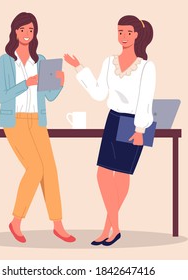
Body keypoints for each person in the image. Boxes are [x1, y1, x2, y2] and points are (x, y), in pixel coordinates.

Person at [64, 15, 156, 246]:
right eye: (120, 32)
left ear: (137, 34)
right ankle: (114, 227)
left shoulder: (146, 67)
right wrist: (79, 69)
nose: (123, 37)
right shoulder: (109, 61)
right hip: (113, 118)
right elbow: (98, 93)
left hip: (135, 122)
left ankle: (109, 228)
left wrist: (140, 129)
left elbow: (146, 100)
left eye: (127, 32)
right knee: (103, 174)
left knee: (121, 175)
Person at [0, 12, 75, 243]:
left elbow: (49, 96)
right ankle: (16, 221)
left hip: (38, 120)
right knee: (35, 168)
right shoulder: (4, 61)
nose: (27, 34)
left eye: (31, 30)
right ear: (14, 32)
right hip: (14, 120)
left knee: (49, 169)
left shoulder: (41, 60)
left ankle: (58, 224)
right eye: (22, 30)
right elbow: (2, 96)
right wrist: (26, 83)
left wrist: (59, 83)